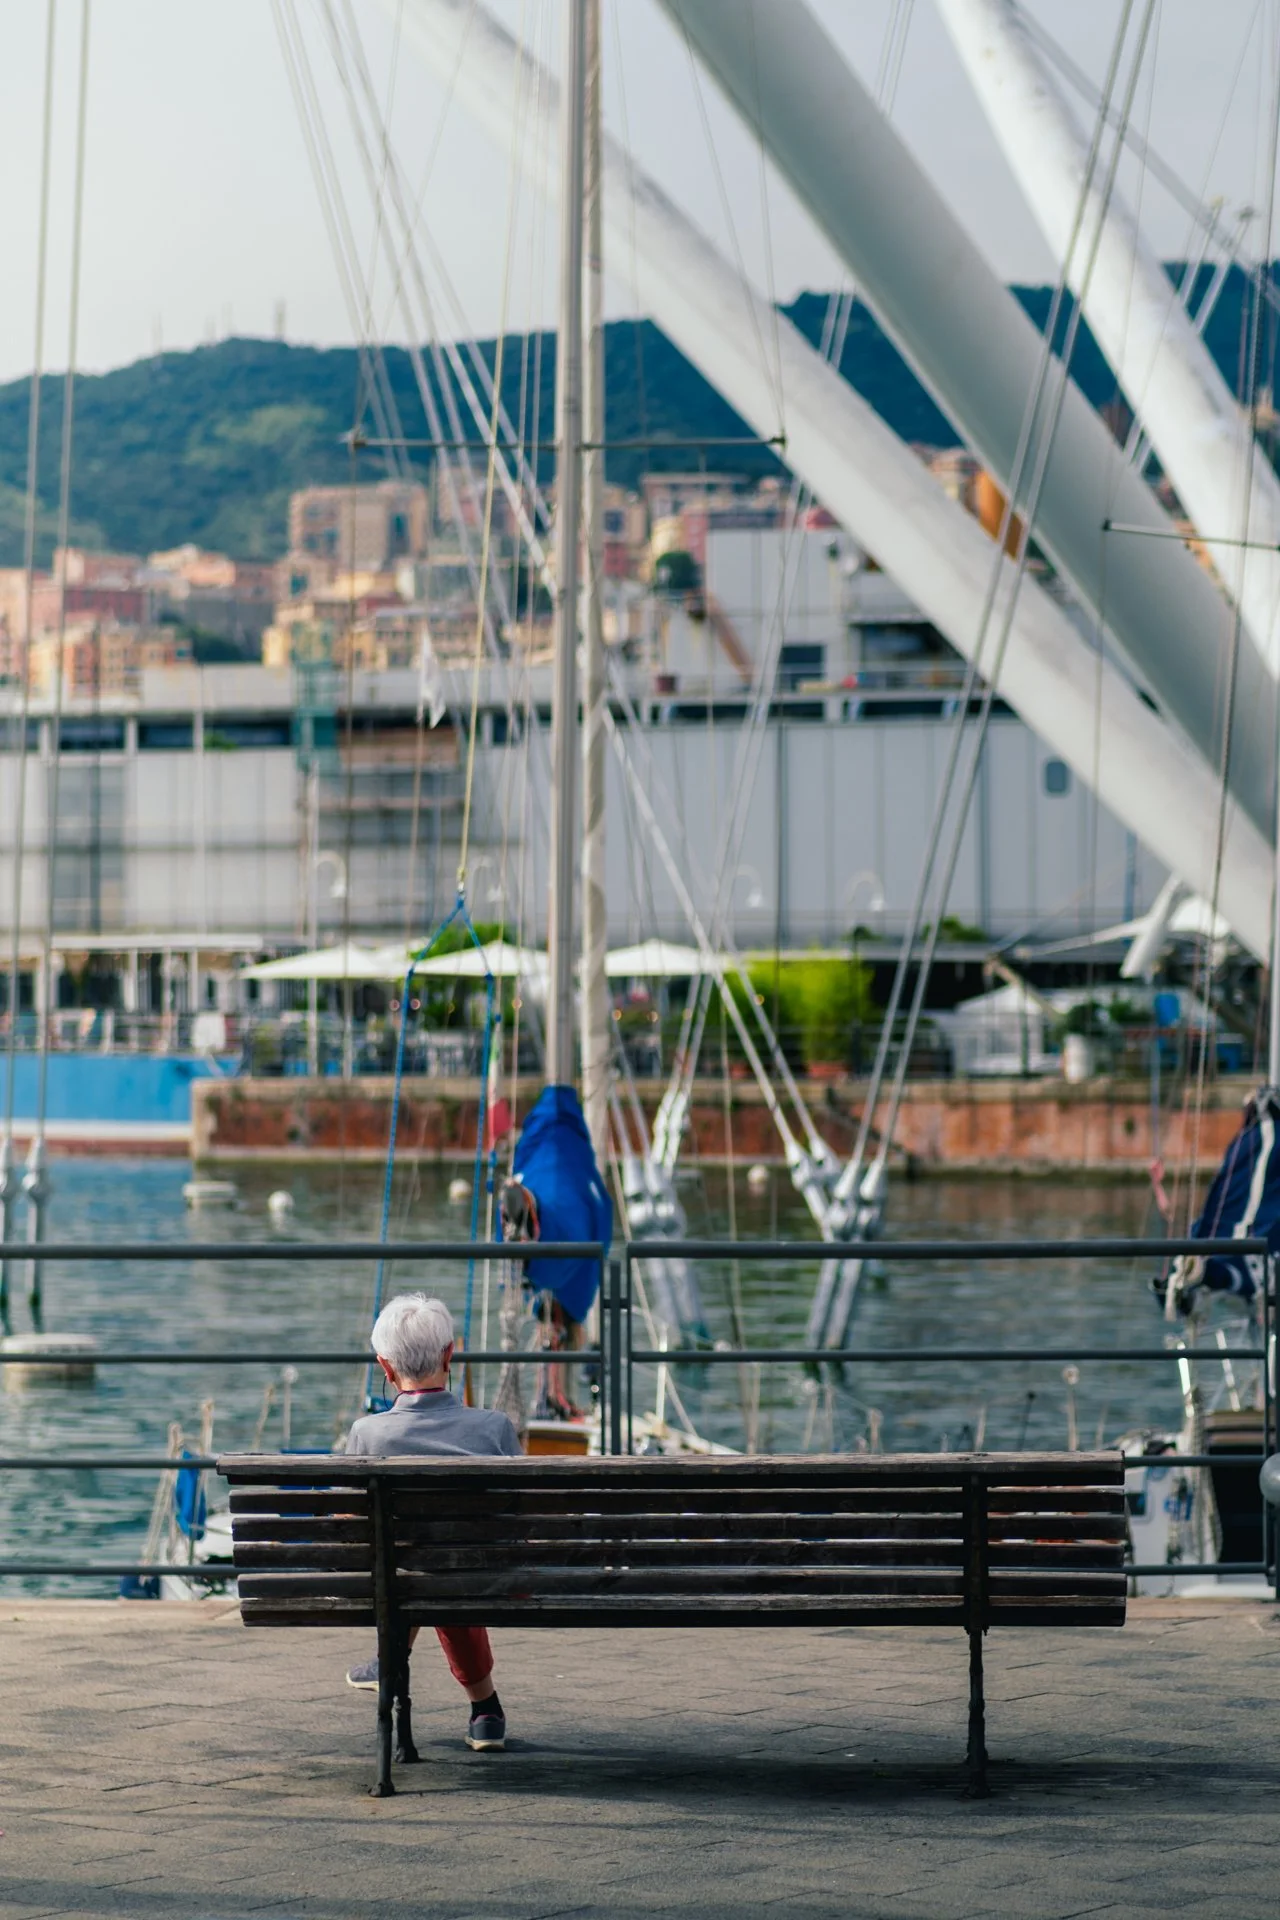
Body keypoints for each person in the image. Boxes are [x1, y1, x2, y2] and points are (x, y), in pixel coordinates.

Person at [343, 1292, 522, 1751]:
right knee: (446, 1568)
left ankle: (390, 1662)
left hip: (397, 1580)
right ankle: (485, 1709)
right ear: (450, 1355)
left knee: (413, 1567)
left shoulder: (367, 1434)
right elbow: (521, 1515)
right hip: (483, 1579)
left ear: (385, 1367)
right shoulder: (493, 1428)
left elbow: (350, 1524)